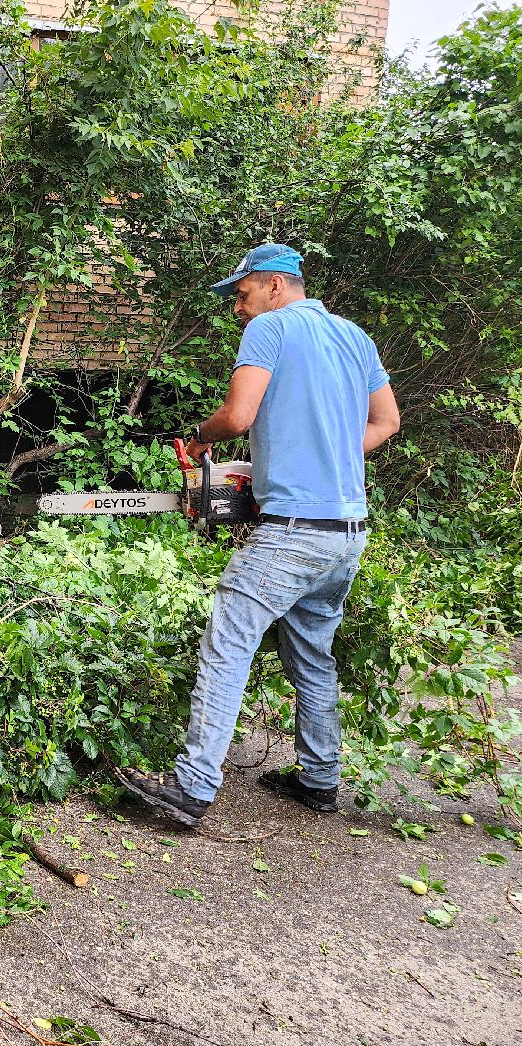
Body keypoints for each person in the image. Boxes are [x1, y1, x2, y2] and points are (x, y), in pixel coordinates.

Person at [118, 243, 401, 828]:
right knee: (313, 656)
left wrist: (199, 440)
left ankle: (193, 786)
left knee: (229, 639)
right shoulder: (355, 337)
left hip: (293, 532)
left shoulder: (270, 330)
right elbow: (386, 422)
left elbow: (239, 417)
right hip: (346, 533)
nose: (240, 310)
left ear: (275, 286)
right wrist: (323, 461)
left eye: (243, 295)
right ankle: (320, 781)